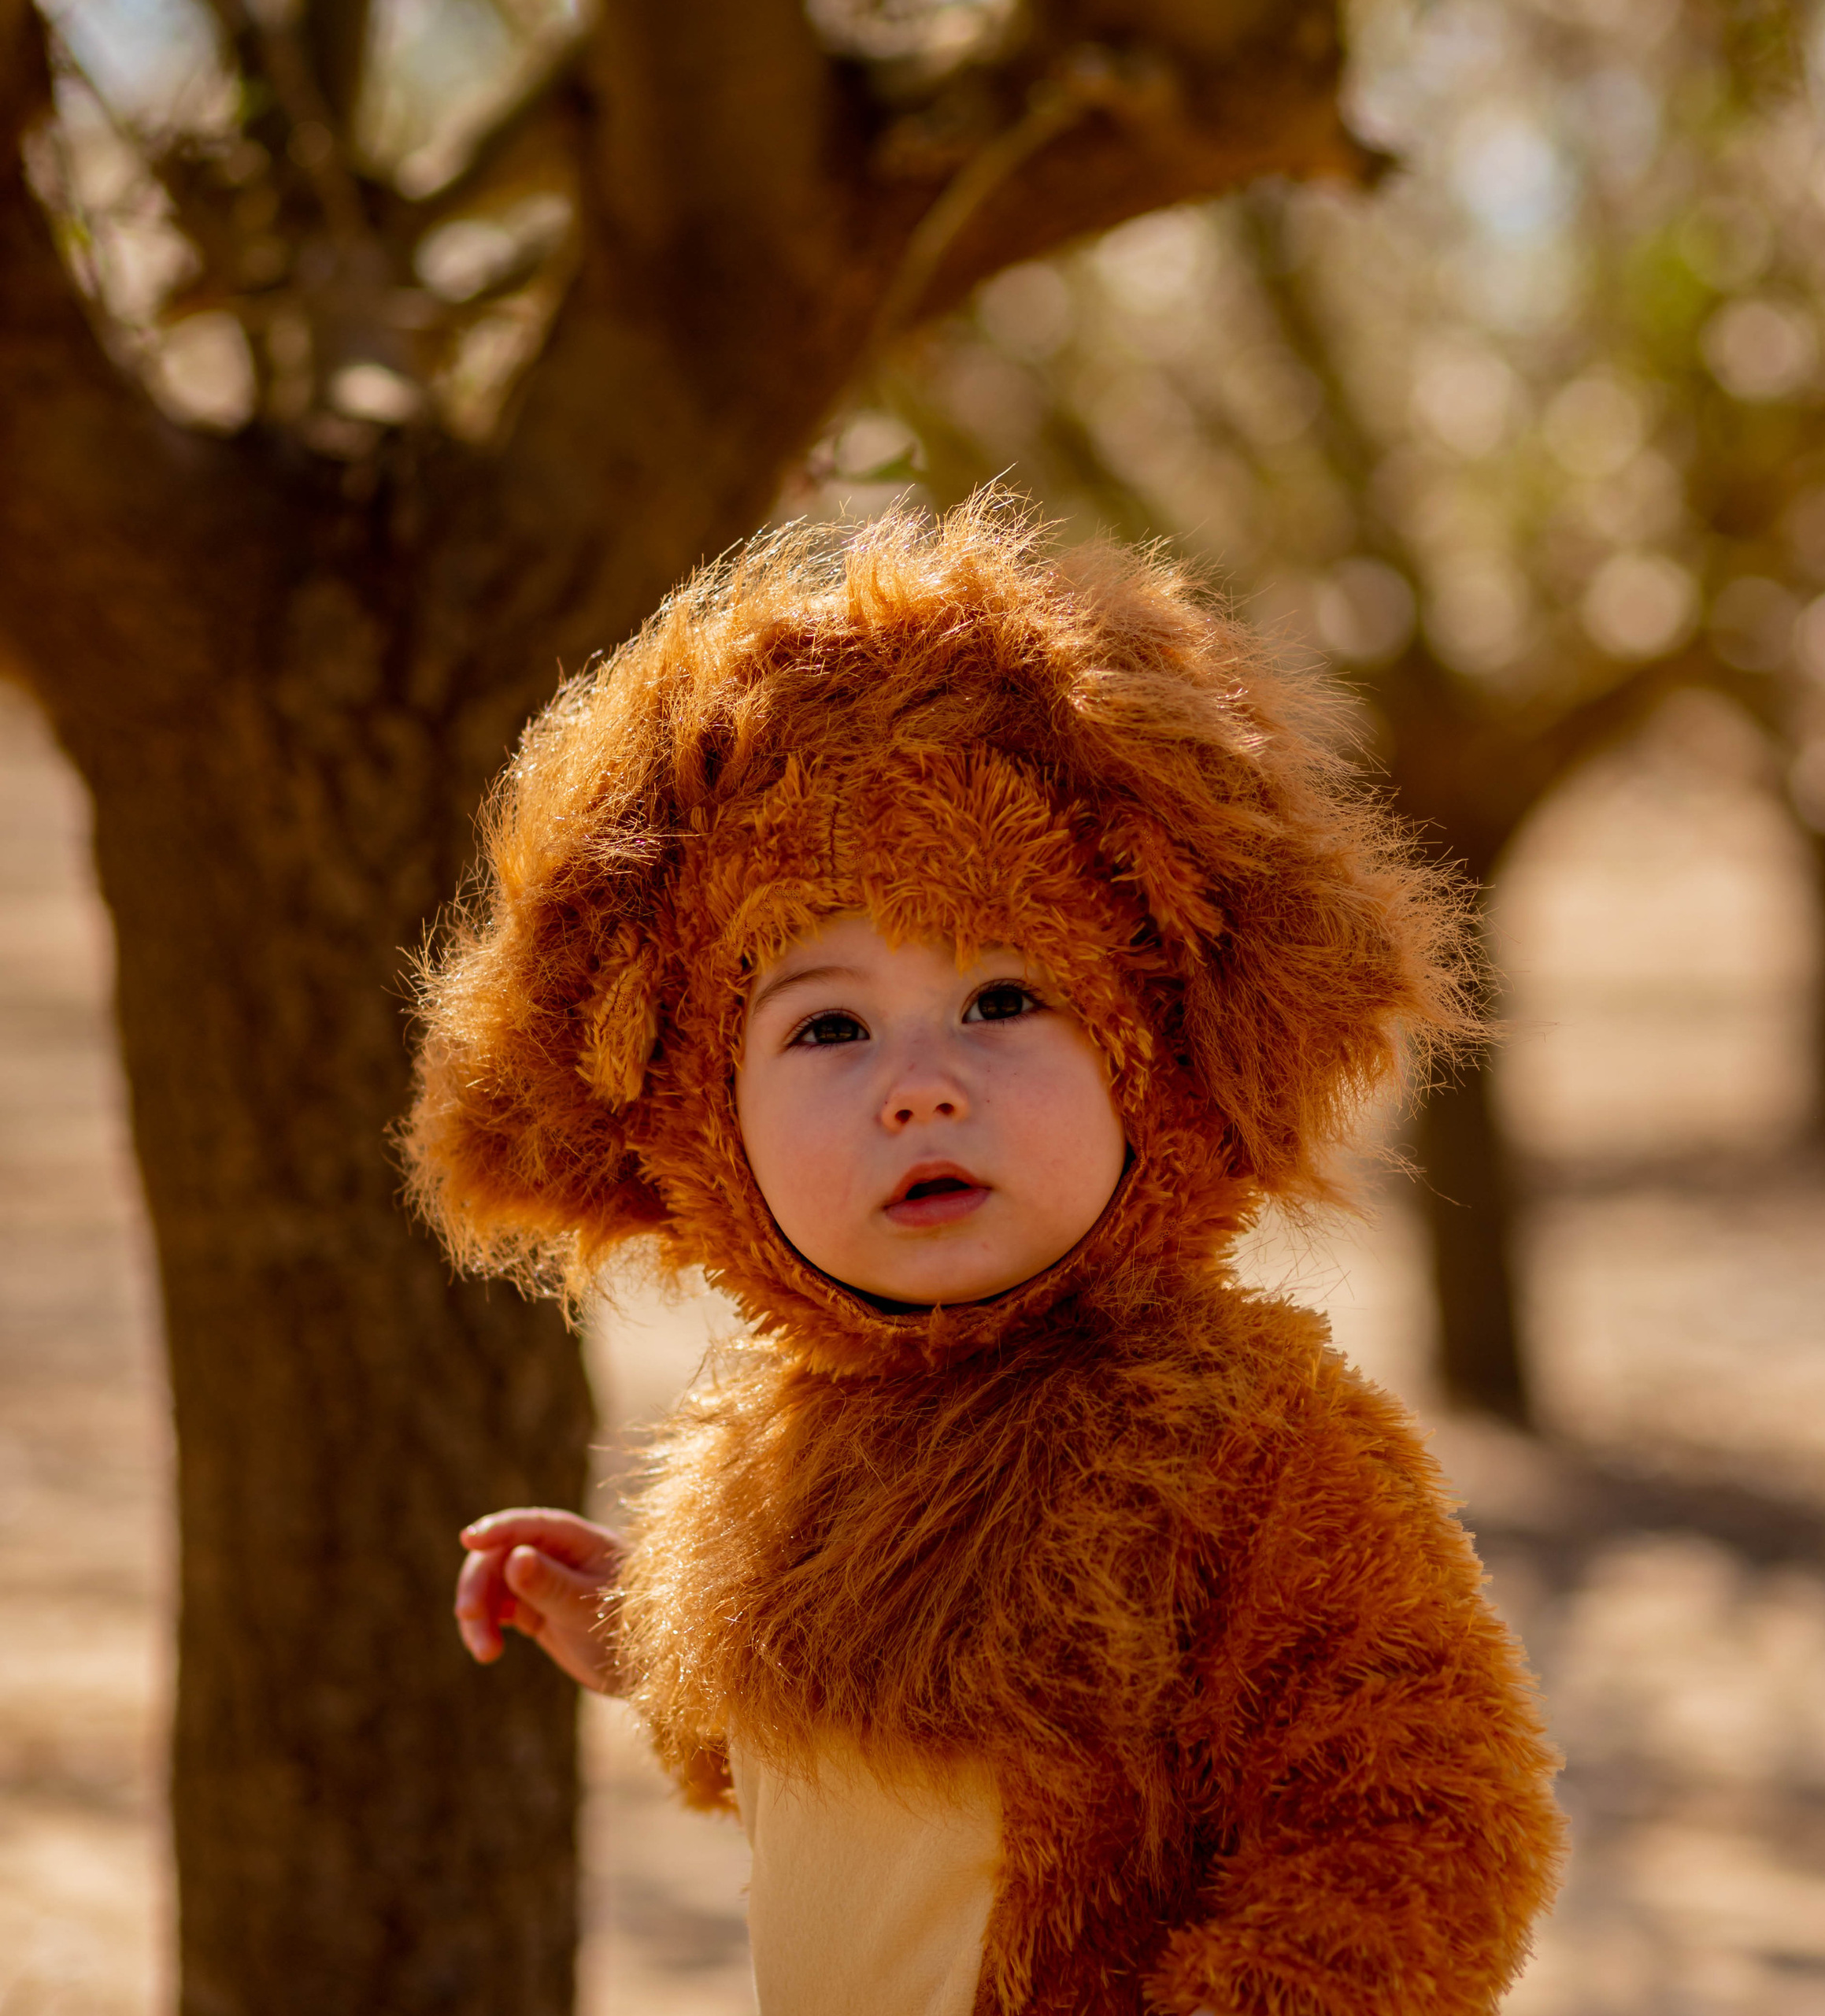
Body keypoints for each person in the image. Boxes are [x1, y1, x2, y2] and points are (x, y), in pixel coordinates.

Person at [409, 499, 1565, 2016]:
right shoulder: (776, 1461)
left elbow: (1423, 1829)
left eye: (1006, 998)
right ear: (697, 1118)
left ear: (1154, 1046)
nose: (921, 1083)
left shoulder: (1250, 1452)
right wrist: (653, 1635)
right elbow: (857, 1762)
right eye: (826, 1026)